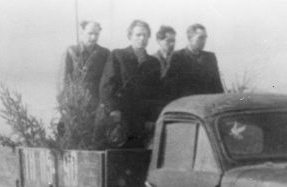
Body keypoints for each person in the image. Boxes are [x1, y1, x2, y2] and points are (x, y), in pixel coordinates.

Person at [97, 20, 162, 149]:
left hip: (140, 119)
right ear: (130, 36)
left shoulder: (153, 63)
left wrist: (151, 118)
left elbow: (155, 94)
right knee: (116, 156)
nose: (142, 38)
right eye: (138, 35)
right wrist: (113, 109)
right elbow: (106, 85)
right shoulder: (118, 55)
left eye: (145, 35)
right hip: (119, 118)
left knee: (137, 157)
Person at [165, 23, 224, 100]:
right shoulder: (177, 57)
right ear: (190, 38)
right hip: (186, 106)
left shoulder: (210, 58)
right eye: (200, 38)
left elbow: (217, 87)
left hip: (208, 105)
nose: (204, 41)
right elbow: (171, 89)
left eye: (205, 38)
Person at [61, 20, 110, 105]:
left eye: (96, 34)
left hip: (97, 100)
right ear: (82, 32)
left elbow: (107, 80)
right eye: (90, 33)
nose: (93, 37)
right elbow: (65, 78)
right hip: (76, 101)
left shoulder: (104, 53)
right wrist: (65, 101)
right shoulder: (71, 51)